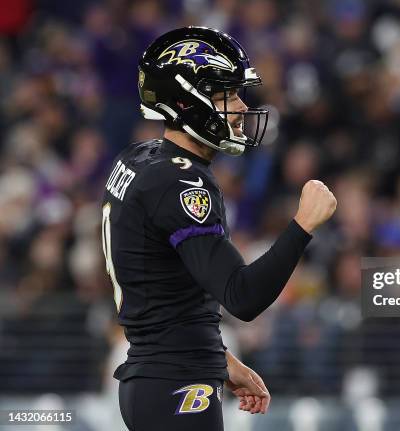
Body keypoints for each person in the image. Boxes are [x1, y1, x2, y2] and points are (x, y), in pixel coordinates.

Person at [101, 26, 337, 431]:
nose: (242, 107)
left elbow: (166, 290)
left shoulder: (142, 158)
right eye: (226, 95)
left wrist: (220, 360)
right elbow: (242, 297)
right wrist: (303, 226)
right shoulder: (180, 183)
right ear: (185, 103)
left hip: (162, 373)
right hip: (175, 385)